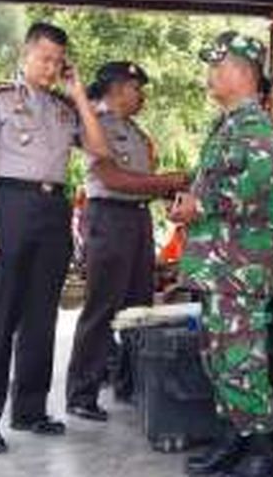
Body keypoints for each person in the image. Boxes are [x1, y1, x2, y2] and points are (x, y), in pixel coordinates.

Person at [0, 22, 109, 454]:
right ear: (26, 54)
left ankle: (29, 410)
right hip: (8, 203)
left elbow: (101, 150)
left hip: (52, 210)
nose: (50, 68)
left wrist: (80, 93)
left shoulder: (66, 108)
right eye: (44, 58)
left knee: (41, 317)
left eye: (58, 62)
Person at [170, 31, 273, 477]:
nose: (210, 75)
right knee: (219, 358)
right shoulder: (229, 125)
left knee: (242, 360)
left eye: (218, 66)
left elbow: (256, 186)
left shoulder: (257, 127)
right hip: (221, 267)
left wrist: (203, 203)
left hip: (240, 269)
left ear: (243, 72)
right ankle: (236, 438)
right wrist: (193, 202)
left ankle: (265, 454)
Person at [65, 61, 188, 420]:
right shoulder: (96, 125)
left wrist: (173, 192)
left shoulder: (133, 130)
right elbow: (114, 179)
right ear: (118, 88)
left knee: (138, 307)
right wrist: (169, 181)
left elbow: (142, 181)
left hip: (137, 219)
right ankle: (81, 393)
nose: (142, 96)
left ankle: (130, 384)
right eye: (137, 88)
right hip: (109, 218)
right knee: (103, 307)